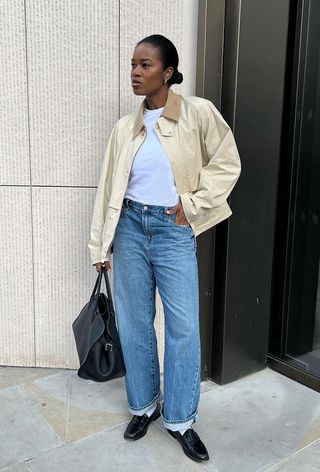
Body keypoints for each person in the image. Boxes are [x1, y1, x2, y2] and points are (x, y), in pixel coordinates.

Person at [88, 34, 241, 462]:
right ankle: (143, 406)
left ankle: (181, 419)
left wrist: (192, 205)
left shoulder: (198, 113)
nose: (135, 73)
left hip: (173, 231)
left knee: (183, 327)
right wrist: (100, 244)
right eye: (133, 65)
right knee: (136, 324)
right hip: (131, 229)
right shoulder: (124, 127)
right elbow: (107, 190)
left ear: (168, 72)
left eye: (145, 65)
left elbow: (227, 162)